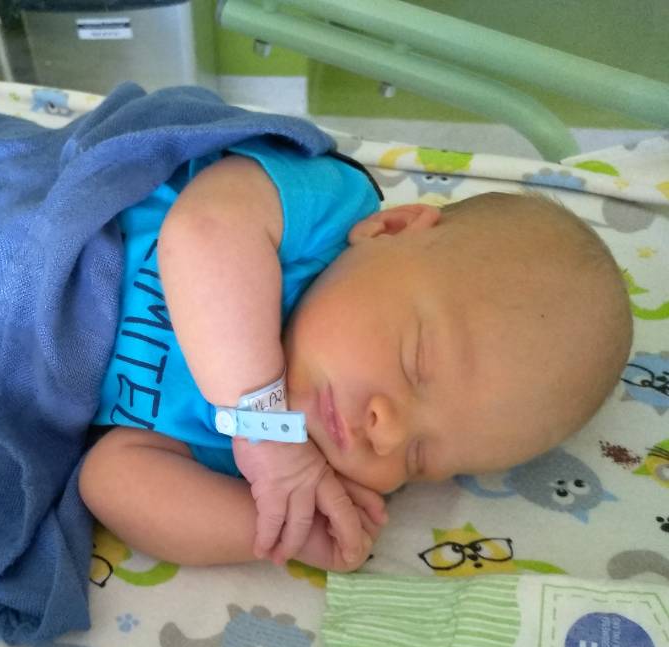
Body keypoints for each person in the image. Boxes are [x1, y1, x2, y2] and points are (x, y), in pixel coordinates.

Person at [79, 139, 633, 573]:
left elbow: (111, 478)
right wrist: (262, 426)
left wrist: (284, 525)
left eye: (418, 458)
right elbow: (204, 228)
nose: (386, 433)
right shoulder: (326, 210)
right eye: (416, 362)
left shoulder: (280, 464)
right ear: (391, 229)